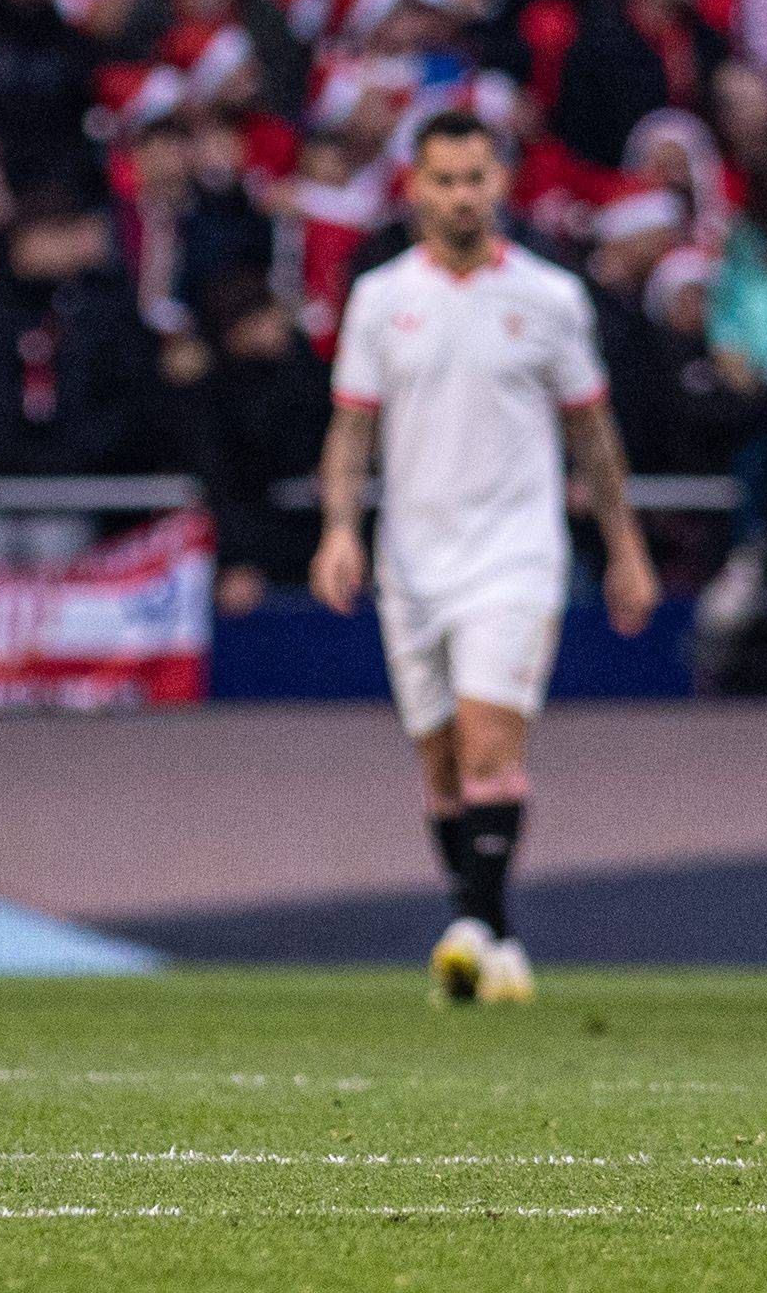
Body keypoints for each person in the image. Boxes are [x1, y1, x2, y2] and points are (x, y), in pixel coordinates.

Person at [311, 112, 661, 1007]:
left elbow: (593, 434)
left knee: (486, 744)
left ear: (500, 182)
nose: (461, 196)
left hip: (515, 553)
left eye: (475, 177)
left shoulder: (549, 298)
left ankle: (467, 926)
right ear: (414, 188)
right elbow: (351, 430)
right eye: (444, 179)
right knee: (439, 768)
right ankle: (494, 936)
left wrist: (624, 548)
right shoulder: (379, 298)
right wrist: (339, 528)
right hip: (411, 561)